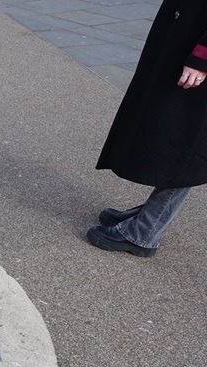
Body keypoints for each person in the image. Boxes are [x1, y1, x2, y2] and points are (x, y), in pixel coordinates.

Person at [92, 1, 207, 257]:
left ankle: (145, 231)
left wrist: (202, 58)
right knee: (174, 131)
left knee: (186, 140)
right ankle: (150, 215)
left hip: (197, 43)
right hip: (186, 29)